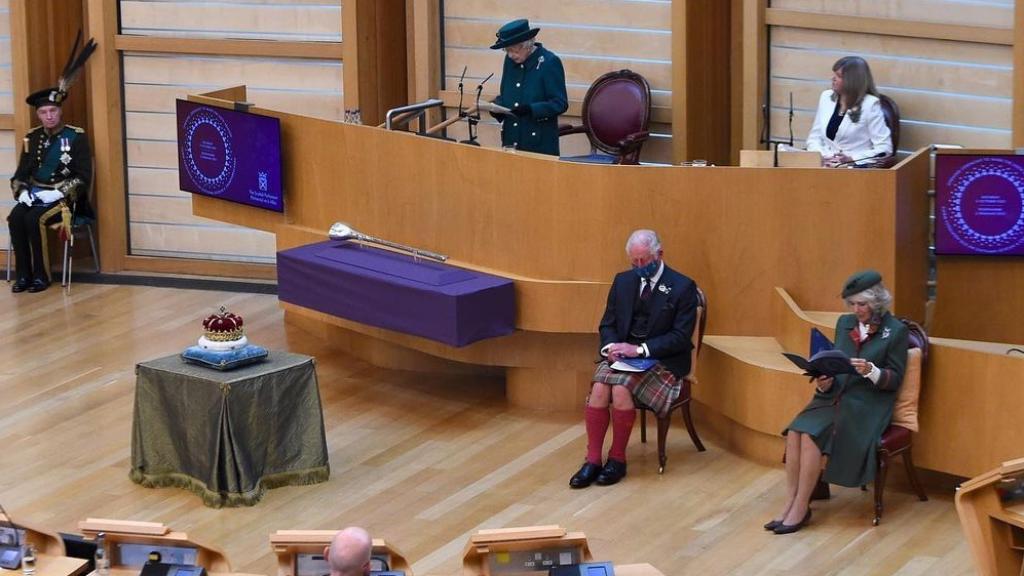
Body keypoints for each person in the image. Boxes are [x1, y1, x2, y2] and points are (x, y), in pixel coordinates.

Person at [767, 270, 908, 534]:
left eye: (862, 304)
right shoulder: (845, 323)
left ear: (877, 301)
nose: (856, 310)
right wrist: (825, 380)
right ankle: (791, 501)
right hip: (833, 395)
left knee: (811, 434)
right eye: (852, 304)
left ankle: (801, 506)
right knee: (796, 431)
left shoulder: (896, 331)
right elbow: (836, 361)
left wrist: (871, 370)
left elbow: (895, 379)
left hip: (867, 404)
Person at [569, 229, 699, 488]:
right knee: (599, 388)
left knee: (620, 389)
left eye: (644, 261)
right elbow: (608, 324)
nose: (639, 267)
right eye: (634, 262)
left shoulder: (682, 286)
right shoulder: (623, 281)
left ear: (659, 254)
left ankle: (617, 459)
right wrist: (611, 347)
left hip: (662, 359)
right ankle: (592, 460)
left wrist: (639, 350)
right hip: (623, 356)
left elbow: (680, 337)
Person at [8, 36, 95, 293]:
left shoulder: (76, 137)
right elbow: (20, 173)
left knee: (34, 219)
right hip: (36, 195)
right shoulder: (32, 137)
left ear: (60, 111)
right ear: (38, 114)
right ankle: (23, 275)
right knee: (16, 218)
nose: (49, 116)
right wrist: (22, 192)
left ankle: (41, 276)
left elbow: (83, 176)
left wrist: (57, 193)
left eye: (53, 111)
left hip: (65, 199)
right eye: (43, 112)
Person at [489, 19, 568, 156]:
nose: (510, 55)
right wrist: (497, 107)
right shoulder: (510, 61)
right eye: (507, 50)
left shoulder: (549, 62)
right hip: (511, 140)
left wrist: (531, 109)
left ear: (528, 45)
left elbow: (560, 103)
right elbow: (508, 94)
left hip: (538, 143)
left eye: (514, 50)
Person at [805, 56, 892, 167]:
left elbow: (884, 148)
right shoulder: (826, 97)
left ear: (852, 81)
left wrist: (852, 159)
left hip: (853, 168)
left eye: (839, 76)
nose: (833, 78)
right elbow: (814, 138)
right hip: (825, 165)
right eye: (834, 74)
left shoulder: (870, 104)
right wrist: (822, 156)